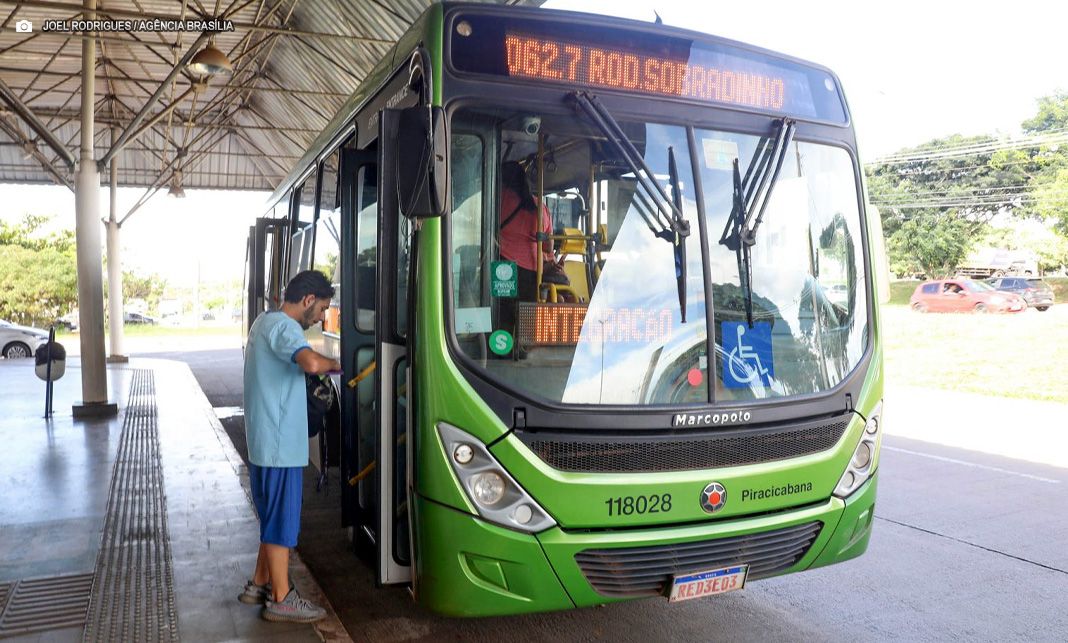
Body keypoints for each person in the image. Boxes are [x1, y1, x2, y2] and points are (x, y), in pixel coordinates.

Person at [238, 270, 341, 623]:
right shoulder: (285, 328)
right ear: (308, 300)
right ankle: (282, 598)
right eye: (322, 308)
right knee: (282, 522)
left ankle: (259, 583)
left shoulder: (262, 323)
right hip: (280, 443)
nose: (321, 317)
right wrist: (343, 362)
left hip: (265, 440)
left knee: (272, 518)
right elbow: (311, 363)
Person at [498, 161, 564, 347]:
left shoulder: (497, 199)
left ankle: (500, 352)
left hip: (503, 267)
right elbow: (548, 248)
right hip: (531, 270)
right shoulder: (538, 206)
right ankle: (523, 352)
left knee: (503, 316)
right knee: (525, 320)